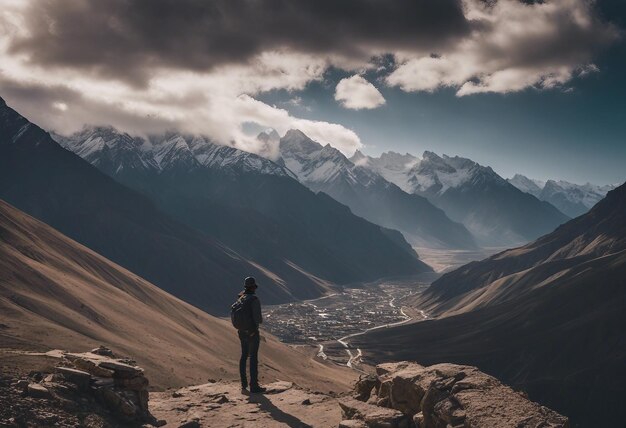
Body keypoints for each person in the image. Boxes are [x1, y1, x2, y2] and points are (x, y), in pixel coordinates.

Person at [236, 276, 266, 393]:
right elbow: (258, 319)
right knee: (253, 357)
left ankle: (243, 384)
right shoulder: (254, 300)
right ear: (254, 287)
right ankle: (254, 385)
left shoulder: (240, 298)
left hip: (241, 331)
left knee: (244, 355)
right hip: (252, 332)